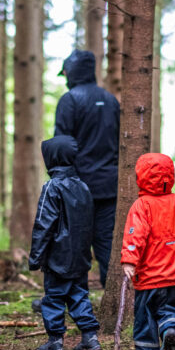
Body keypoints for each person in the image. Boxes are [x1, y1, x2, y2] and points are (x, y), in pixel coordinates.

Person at [120, 153, 175, 350]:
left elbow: (134, 234)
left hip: (149, 276)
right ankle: (170, 330)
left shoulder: (141, 205)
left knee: (145, 314)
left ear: (141, 177)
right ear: (170, 176)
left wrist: (129, 259)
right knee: (172, 309)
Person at [28, 136, 102, 350]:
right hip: (80, 255)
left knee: (53, 298)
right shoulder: (82, 186)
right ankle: (90, 337)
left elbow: (44, 224)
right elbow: (90, 223)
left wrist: (35, 257)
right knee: (79, 295)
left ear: (51, 158)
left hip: (57, 257)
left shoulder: (51, 187)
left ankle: (55, 341)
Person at [54, 50, 121, 287]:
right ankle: (114, 299)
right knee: (106, 245)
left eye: (65, 73)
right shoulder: (111, 100)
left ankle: (68, 299)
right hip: (110, 188)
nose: (64, 78)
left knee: (73, 245)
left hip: (78, 188)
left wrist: (59, 185)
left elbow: (61, 147)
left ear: (71, 72)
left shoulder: (70, 100)